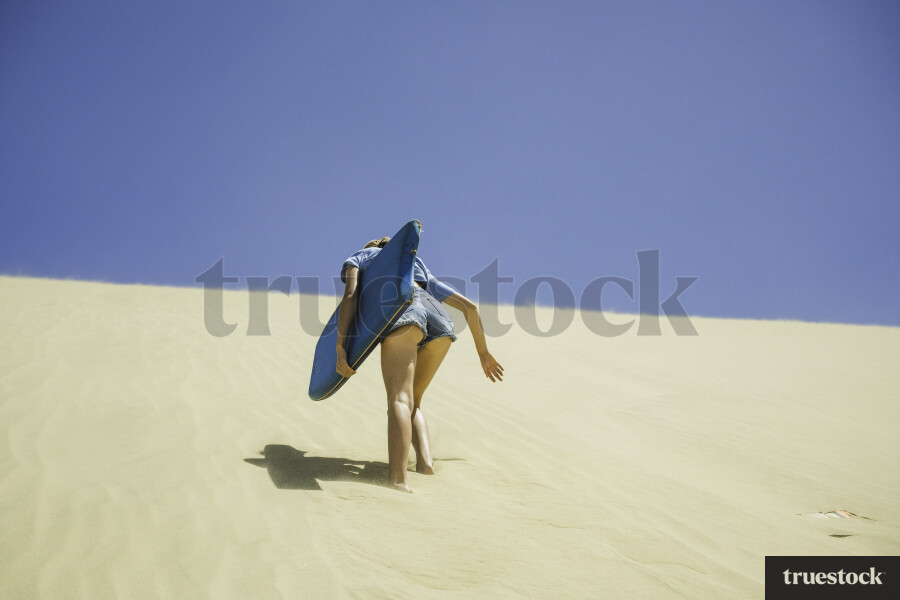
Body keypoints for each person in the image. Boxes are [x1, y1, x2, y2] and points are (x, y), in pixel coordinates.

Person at [335, 236, 504, 493]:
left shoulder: (361, 257)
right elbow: (470, 308)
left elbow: (350, 296)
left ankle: (398, 481)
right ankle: (425, 465)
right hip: (440, 321)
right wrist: (483, 353)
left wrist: (340, 345)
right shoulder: (416, 263)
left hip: (403, 312)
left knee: (399, 399)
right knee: (413, 398)